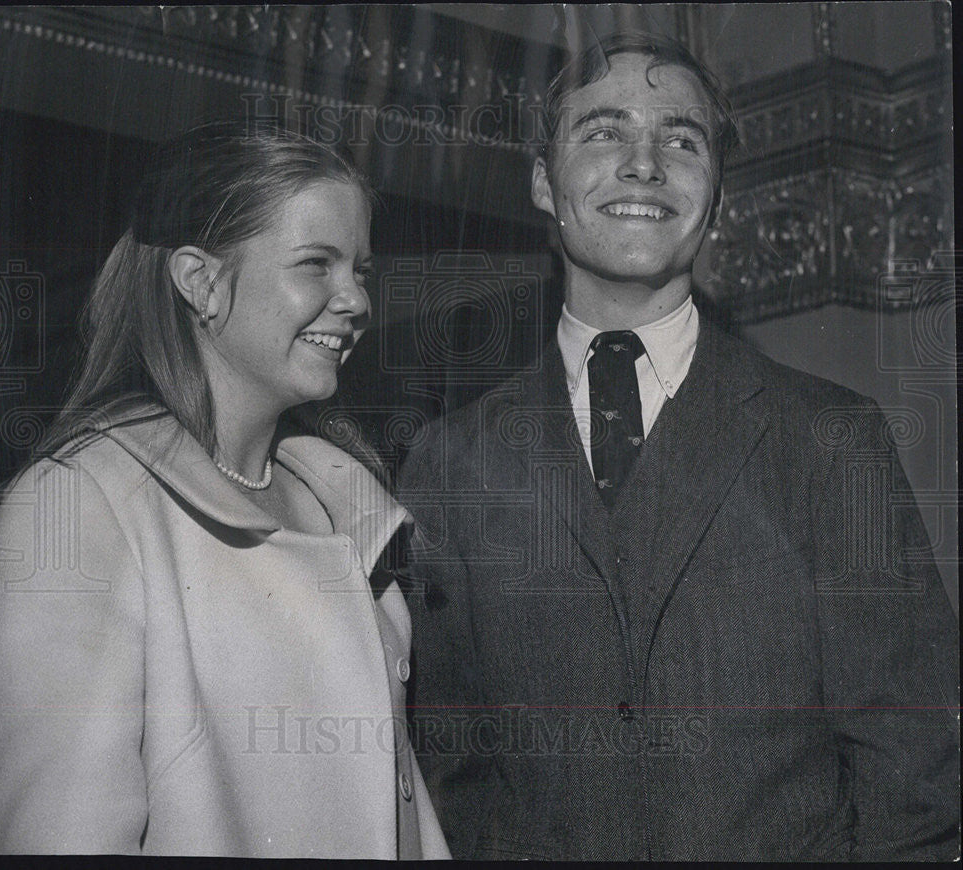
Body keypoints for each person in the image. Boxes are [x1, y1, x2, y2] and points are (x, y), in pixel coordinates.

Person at [396, 32, 959, 861]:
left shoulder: (836, 441)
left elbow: (916, 777)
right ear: (544, 184)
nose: (644, 163)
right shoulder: (447, 463)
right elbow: (450, 775)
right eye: (602, 131)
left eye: (681, 138)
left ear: (719, 197)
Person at [0, 123, 450, 859]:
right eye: (315, 264)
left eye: (359, 268)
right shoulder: (79, 506)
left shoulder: (349, 506)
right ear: (200, 280)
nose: (354, 298)